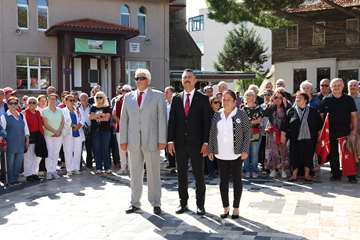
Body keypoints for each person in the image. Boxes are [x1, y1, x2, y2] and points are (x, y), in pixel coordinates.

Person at [120, 68, 167, 216]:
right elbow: (124, 120)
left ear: (148, 80)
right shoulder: (128, 97)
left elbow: (162, 120)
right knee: (134, 173)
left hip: (152, 141)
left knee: (153, 173)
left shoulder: (158, 96)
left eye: (141, 78)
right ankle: (134, 203)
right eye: (136, 78)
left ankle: (156, 203)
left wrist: (162, 140)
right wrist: (123, 140)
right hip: (133, 142)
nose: (138, 81)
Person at [168, 69, 212, 216]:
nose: (187, 79)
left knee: (199, 176)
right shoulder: (176, 99)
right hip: (180, 144)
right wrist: (170, 141)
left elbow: (207, 123)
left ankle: (200, 205)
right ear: (181, 81)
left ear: (195, 80)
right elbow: (172, 121)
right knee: (181, 176)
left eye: (189, 77)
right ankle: (183, 203)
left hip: (197, 144)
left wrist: (206, 143)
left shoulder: (203, 99)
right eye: (184, 77)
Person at [208, 90, 250, 219]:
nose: (224, 102)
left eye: (228, 99)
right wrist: (211, 149)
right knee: (223, 182)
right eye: (223, 99)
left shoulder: (241, 114)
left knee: (237, 180)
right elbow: (212, 133)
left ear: (234, 101)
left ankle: (236, 208)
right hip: (221, 154)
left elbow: (247, 133)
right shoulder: (217, 115)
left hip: (236, 154)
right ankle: (225, 208)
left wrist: (245, 150)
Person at [319, 78, 358, 183]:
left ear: (342, 86)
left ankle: (351, 175)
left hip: (346, 130)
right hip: (330, 131)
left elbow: (354, 116)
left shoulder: (349, 99)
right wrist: (321, 132)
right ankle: (335, 174)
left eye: (338, 85)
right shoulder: (326, 100)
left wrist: (354, 131)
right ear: (331, 87)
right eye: (334, 85)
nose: (336, 87)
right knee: (333, 154)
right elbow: (321, 116)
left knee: (348, 153)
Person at [282, 92, 322, 182]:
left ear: (306, 100)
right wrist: (283, 137)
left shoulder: (313, 111)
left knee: (308, 156)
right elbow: (284, 126)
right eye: (296, 97)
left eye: (299, 97)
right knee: (294, 156)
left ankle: (307, 175)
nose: (297, 99)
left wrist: (320, 138)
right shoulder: (291, 111)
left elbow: (319, 126)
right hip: (294, 139)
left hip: (310, 139)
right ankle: (294, 175)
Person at [0, 96, 30, 184]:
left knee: (19, 162)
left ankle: (15, 178)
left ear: (17, 105)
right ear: (8, 105)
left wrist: (27, 139)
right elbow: (2, 130)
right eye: (11, 103)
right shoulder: (4, 117)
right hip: (10, 143)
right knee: (10, 162)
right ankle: (10, 180)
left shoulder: (21, 115)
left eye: (15, 103)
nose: (13, 105)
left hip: (21, 142)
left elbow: (26, 129)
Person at [263, 89, 290, 178]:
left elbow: (289, 117)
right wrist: (270, 102)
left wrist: (286, 106)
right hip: (272, 133)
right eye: (275, 97)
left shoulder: (287, 106)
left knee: (283, 151)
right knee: (272, 152)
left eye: (280, 97)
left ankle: (283, 170)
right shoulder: (271, 107)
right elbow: (264, 113)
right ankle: (273, 169)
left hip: (283, 133)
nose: (277, 99)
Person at [89, 91, 112, 174]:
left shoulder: (107, 107)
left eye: (100, 97)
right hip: (95, 131)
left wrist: (97, 117)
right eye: (97, 97)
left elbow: (107, 119)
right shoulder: (93, 107)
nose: (98, 99)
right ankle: (98, 167)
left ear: (104, 98)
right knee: (97, 149)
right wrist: (101, 115)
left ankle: (107, 167)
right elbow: (90, 117)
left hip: (105, 131)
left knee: (105, 149)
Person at [42, 93, 64, 180]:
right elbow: (45, 124)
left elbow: (62, 122)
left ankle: (54, 171)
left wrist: (58, 131)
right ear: (48, 100)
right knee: (49, 153)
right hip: (49, 135)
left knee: (56, 153)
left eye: (54, 99)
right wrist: (55, 131)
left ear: (56, 100)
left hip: (59, 135)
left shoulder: (59, 110)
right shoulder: (45, 111)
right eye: (51, 99)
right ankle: (49, 172)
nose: (52, 100)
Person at [242, 90, 263, 178]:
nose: (249, 97)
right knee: (245, 152)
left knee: (254, 153)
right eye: (247, 95)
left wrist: (248, 122)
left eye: (251, 95)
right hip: (245, 134)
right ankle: (246, 170)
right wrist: (252, 122)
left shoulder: (259, 108)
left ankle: (254, 170)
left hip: (256, 133)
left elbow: (259, 120)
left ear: (254, 98)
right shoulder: (242, 108)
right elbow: (241, 122)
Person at [23, 97, 45, 182]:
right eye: (30, 102)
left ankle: (34, 173)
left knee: (37, 156)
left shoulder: (38, 112)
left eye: (34, 102)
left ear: (36, 104)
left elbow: (41, 124)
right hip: (29, 136)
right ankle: (28, 174)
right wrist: (26, 138)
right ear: (27, 104)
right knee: (28, 157)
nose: (32, 104)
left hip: (39, 136)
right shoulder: (24, 113)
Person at [62, 95, 84, 176]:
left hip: (77, 132)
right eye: (70, 100)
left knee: (77, 151)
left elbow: (83, 119)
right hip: (68, 133)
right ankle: (69, 169)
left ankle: (76, 168)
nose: (72, 102)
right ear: (65, 101)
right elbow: (64, 120)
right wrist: (72, 125)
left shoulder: (78, 110)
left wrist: (78, 126)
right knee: (68, 151)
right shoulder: (63, 110)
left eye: (73, 100)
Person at [114, 84, 132, 175]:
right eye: (124, 90)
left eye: (128, 91)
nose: (125, 92)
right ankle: (123, 167)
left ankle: (131, 168)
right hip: (120, 128)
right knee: (121, 148)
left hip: (131, 129)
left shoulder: (134, 100)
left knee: (131, 149)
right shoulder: (119, 100)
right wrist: (122, 124)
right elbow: (116, 115)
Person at [206, 96, 222, 178]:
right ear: (211, 104)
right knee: (210, 155)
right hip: (210, 137)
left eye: (219, 102)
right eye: (215, 102)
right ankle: (211, 172)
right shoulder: (208, 114)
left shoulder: (222, 113)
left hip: (221, 138)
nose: (218, 104)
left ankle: (220, 171)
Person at [78, 93, 92, 169]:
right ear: (79, 99)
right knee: (79, 148)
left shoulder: (91, 107)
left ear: (88, 99)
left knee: (89, 148)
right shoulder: (76, 108)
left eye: (85, 98)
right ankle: (79, 165)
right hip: (80, 129)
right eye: (82, 98)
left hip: (89, 129)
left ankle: (89, 165)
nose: (83, 99)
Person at [164, 86, 176, 172]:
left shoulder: (176, 103)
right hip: (166, 126)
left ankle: (174, 163)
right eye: (165, 92)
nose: (165, 94)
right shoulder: (165, 103)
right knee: (167, 144)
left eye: (167, 92)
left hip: (174, 127)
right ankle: (170, 162)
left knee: (174, 145)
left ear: (172, 93)